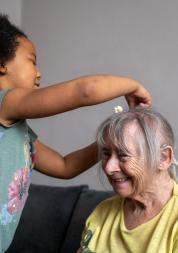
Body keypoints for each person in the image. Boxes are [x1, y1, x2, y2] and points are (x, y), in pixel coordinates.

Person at [0, 13, 151, 252]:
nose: (38, 73)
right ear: (2, 65)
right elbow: (85, 91)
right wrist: (133, 85)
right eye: (32, 61)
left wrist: (107, 139)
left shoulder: (21, 135)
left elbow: (65, 166)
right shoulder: (3, 103)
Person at [78, 108, 178, 253]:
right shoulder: (102, 212)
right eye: (106, 154)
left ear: (163, 158)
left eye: (123, 155)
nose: (109, 168)